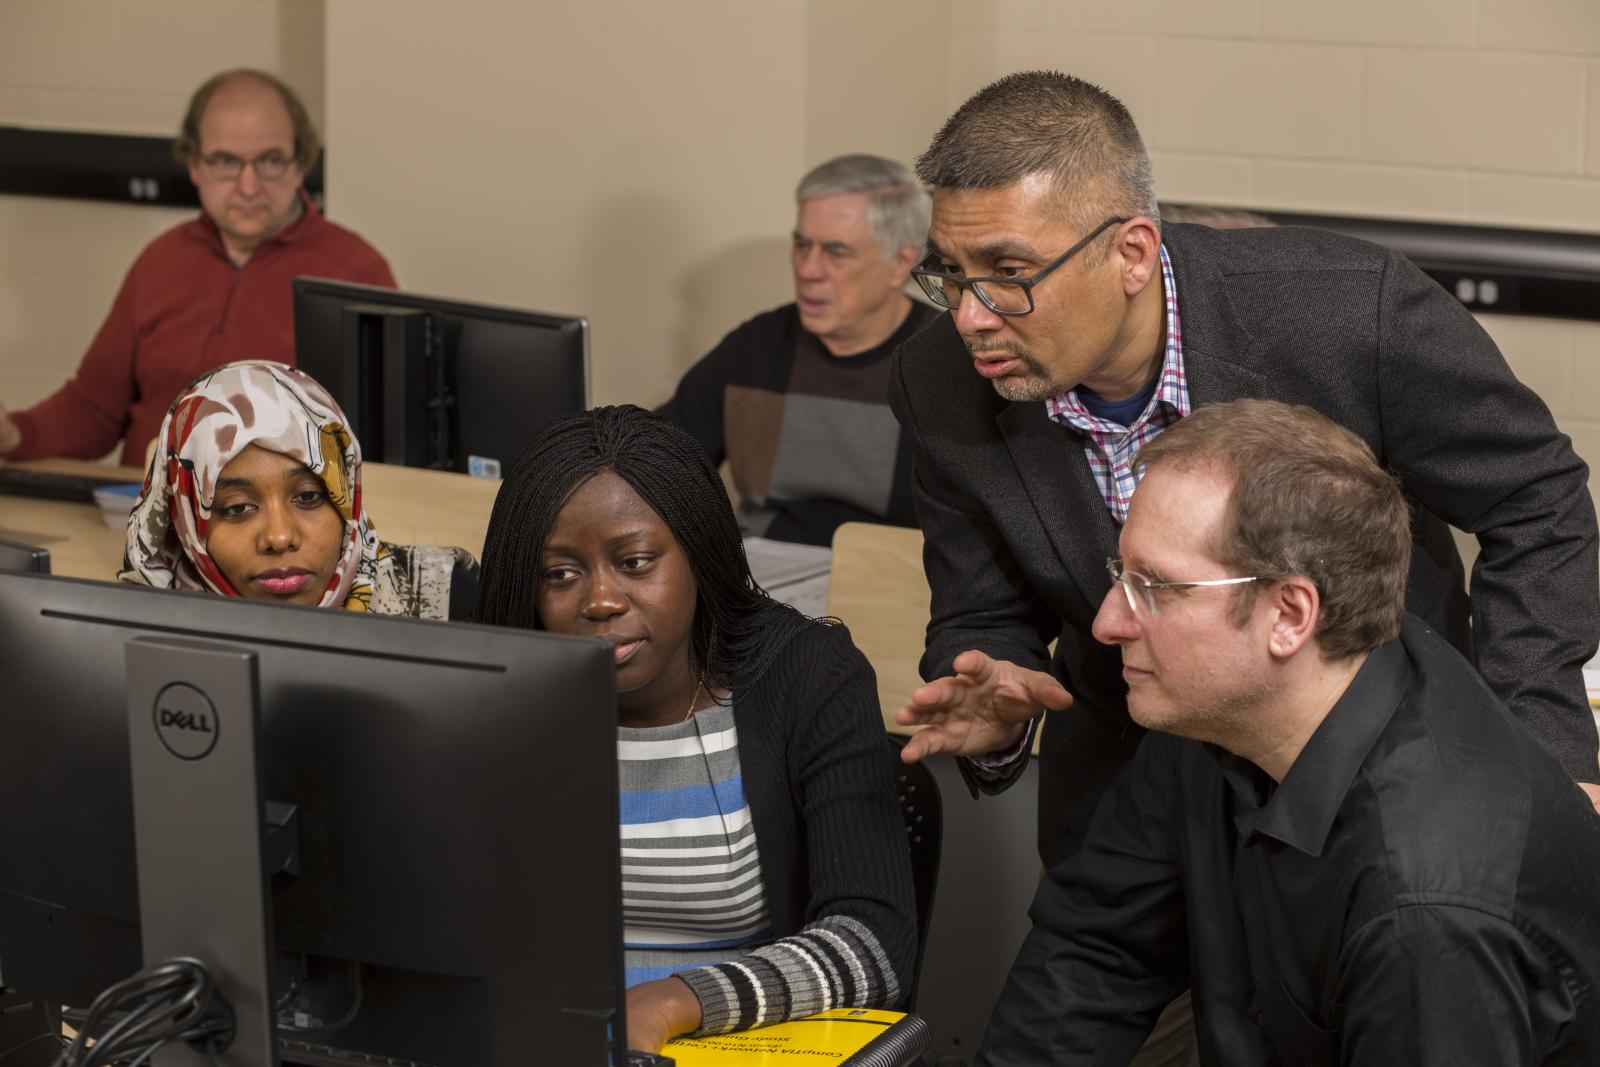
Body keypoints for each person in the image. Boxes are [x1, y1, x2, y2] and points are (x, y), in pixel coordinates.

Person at [890, 70, 1600, 868]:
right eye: (949, 271)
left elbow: (1536, 503)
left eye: (1009, 274)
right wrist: (1001, 695)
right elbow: (982, 608)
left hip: (1387, 781)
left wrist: (1543, 754)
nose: (969, 315)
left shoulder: (1346, 310)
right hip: (1130, 813)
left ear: (1131, 253)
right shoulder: (938, 381)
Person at [977, 399, 1600, 1066]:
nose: (1106, 623)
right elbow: (1096, 952)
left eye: (1154, 586)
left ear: (1289, 614)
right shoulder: (1226, 708)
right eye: (1119, 575)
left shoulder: (1425, 904)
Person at [474, 405, 916, 1052]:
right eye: (560, 574)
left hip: (733, 1046)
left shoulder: (807, 677)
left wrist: (671, 1002)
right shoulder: (493, 690)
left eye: (635, 561)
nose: (600, 599)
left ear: (698, 557)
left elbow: (874, 942)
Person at [0, 68, 396, 467]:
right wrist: (17, 434)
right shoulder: (160, 260)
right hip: (143, 516)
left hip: (277, 521)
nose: (248, 186)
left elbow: (380, 443)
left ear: (300, 164)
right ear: (194, 165)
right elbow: (95, 409)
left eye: (270, 161)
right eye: (225, 161)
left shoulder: (356, 271)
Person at [658, 153, 939, 546]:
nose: (808, 269)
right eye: (802, 245)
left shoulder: (946, 360)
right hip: (761, 577)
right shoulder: (759, 343)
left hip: (893, 582)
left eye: (836, 252)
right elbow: (660, 458)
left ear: (900, 263)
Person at [120, 360, 476, 620]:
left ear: (345, 499)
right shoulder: (140, 630)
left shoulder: (446, 600)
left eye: (308, 497)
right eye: (238, 507)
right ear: (187, 525)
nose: (279, 536)